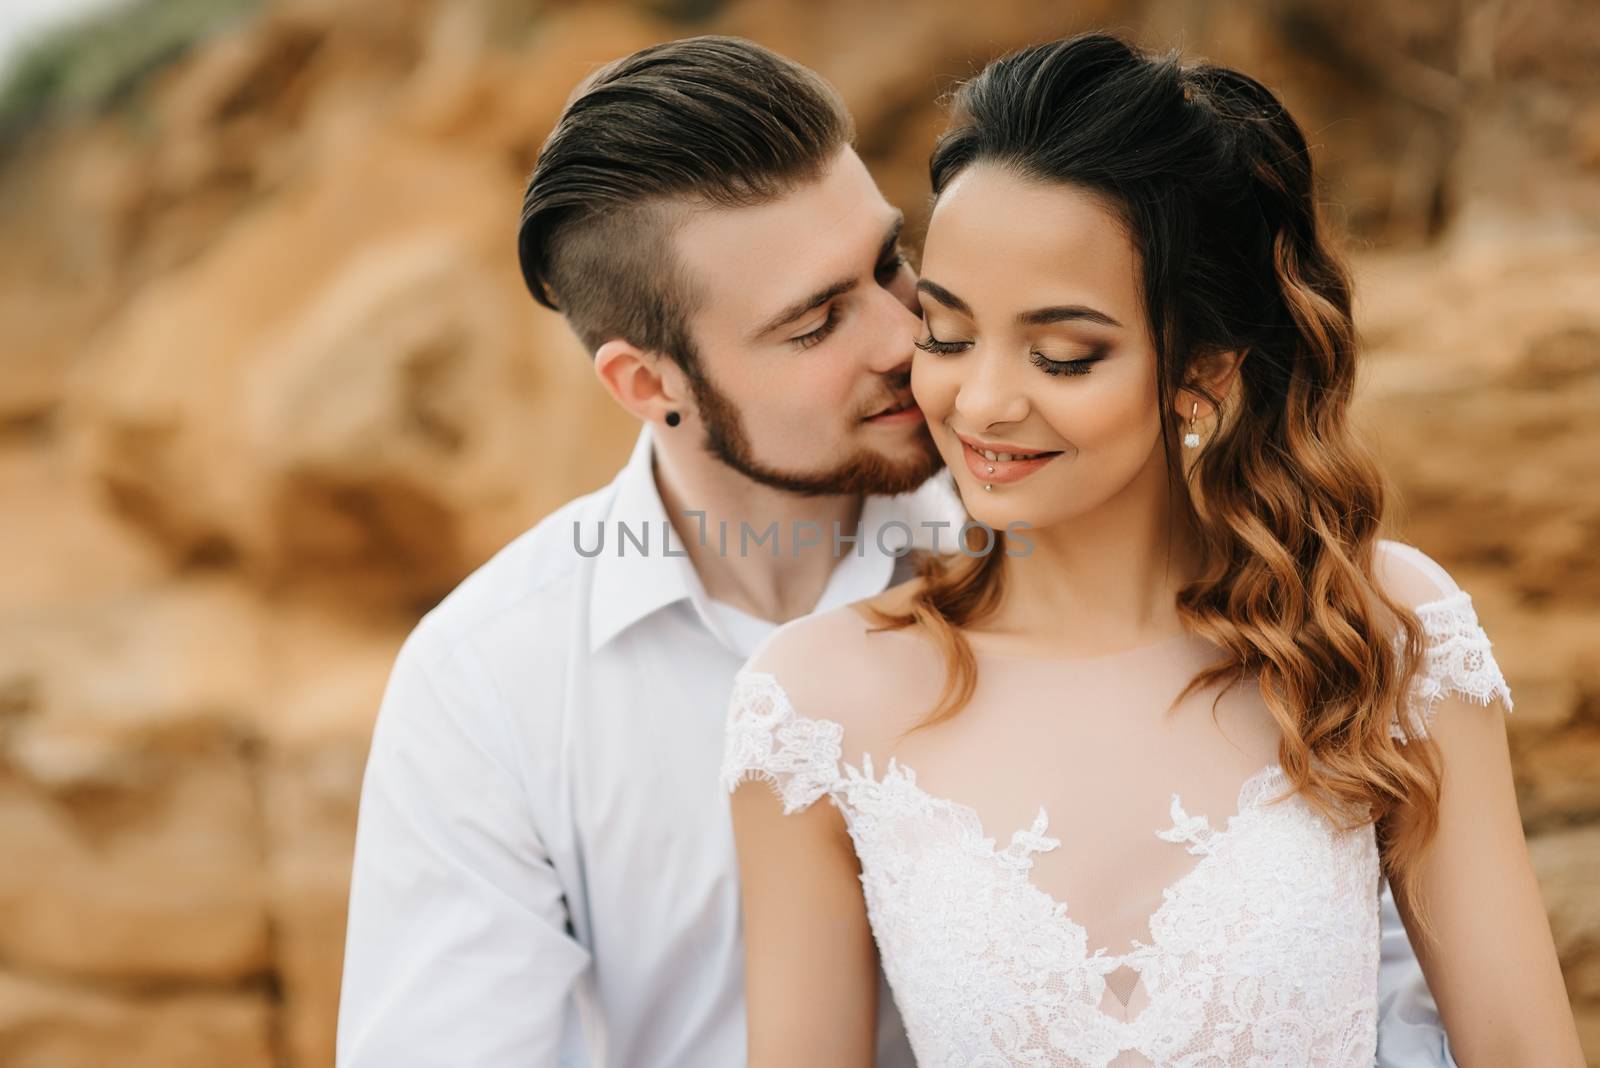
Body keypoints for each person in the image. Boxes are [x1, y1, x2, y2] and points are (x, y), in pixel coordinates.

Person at [335, 33, 1461, 1068]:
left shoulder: (1077, 509)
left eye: (889, 263)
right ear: (652, 386)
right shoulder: (491, 682)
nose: (905, 339)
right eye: (816, 322)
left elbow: (1373, 972)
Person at [721, 32, 1583, 1068]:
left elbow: (1523, 1052)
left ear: (1203, 371)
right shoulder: (816, 704)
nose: (982, 400)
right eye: (946, 335)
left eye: (1063, 354)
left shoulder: (1378, 629)